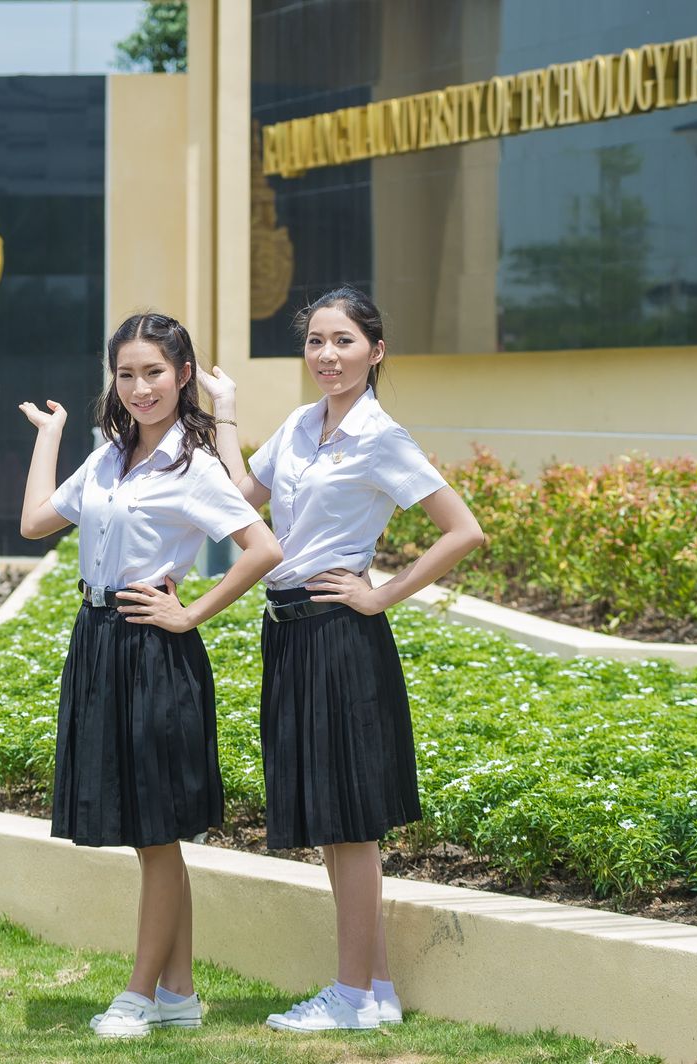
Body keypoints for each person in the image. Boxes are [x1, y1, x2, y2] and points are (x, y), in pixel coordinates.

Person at [200, 285, 484, 1032]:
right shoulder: (300, 424)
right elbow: (243, 498)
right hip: (289, 631)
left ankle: (352, 995)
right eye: (316, 341)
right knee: (333, 819)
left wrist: (381, 594)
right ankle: (376, 990)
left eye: (344, 341)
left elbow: (462, 531)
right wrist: (225, 414)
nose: (327, 355)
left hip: (340, 635)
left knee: (350, 822)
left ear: (375, 351)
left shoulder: (381, 438)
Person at [18, 312, 282, 1039]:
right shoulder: (108, 456)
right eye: (126, 374)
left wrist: (191, 614)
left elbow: (263, 549)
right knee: (153, 834)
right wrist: (50, 435)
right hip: (97, 640)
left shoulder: (193, 467)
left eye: (154, 373)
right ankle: (179, 994)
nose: (140, 388)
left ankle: (137, 995)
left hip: (154, 649)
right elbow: (35, 521)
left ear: (183, 375)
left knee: (156, 834)